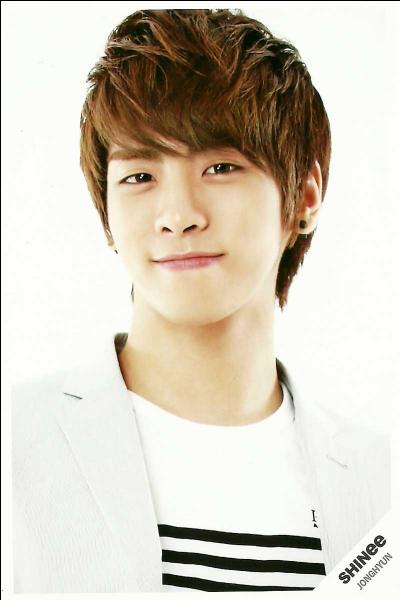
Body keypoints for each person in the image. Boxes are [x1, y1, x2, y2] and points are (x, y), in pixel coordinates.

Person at [11, 8, 390, 593]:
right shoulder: (16, 442)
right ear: (106, 210)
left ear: (305, 197)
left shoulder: (381, 484)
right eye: (140, 177)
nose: (178, 216)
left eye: (220, 166)